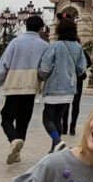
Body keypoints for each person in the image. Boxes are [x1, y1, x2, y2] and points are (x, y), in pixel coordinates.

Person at [0, 15, 49, 164]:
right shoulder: (44, 46)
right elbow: (45, 69)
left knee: (6, 117)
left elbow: (4, 63)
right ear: (41, 28)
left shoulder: (15, 42)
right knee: (23, 120)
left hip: (14, 85)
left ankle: (13, 140)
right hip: (31, 87)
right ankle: (17, 152)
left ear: (26, 26)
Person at [37, 16, 88, 153]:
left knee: (47, 119)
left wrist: (41, 76)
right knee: (58, 118)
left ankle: (58, 141)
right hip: (69, 89)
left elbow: (45, 68)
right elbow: (81, 68)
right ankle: (55, 148)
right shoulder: (78, 47)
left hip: (54, 88)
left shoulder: (55, 46)